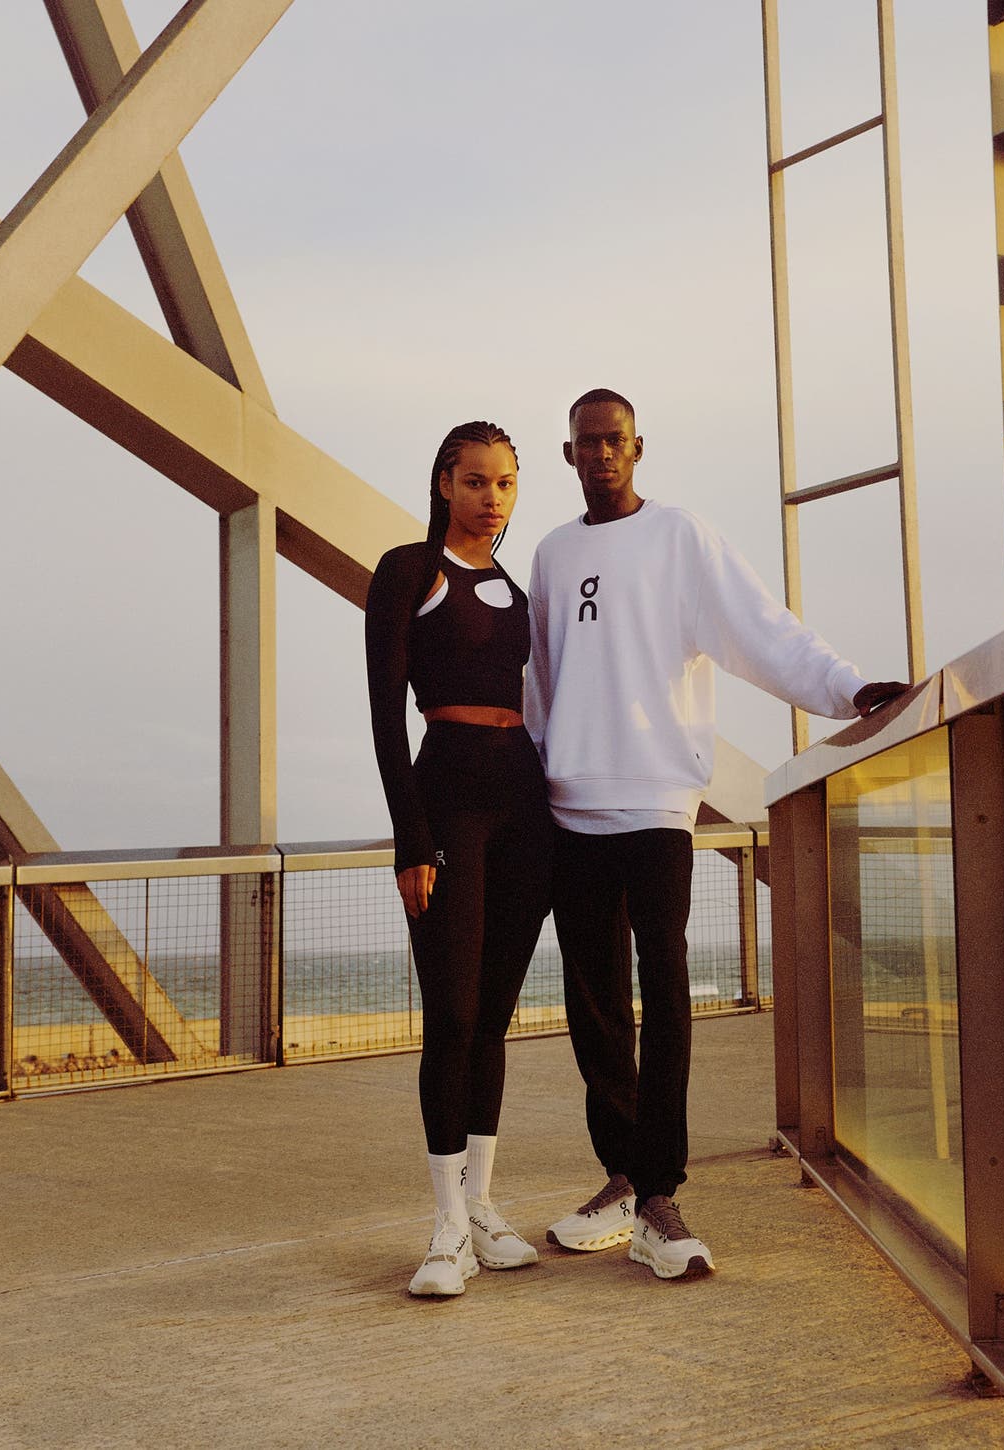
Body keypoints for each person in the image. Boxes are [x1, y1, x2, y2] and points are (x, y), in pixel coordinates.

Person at [524, 388, 906, 1281]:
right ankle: (620, 1179)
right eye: (587, 443)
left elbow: (759, 631)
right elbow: (538, 681)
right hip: (568, 810)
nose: (602, 454)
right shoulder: (550, 552)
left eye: (615, 440)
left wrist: (847, 690)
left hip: (657, 804)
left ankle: (660, 1193)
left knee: (663, 995)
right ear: (569, 453)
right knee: (595, 1011)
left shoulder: (679, 537)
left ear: (638, 446)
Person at [365, 420, 552, 1298]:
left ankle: (482, 1206)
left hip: (527, 809)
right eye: (476, 481)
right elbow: (384, 715)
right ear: (445, 483)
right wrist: (412, 837)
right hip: (449, 807)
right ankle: (442, 1227)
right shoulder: (410, 571)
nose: (492, 497)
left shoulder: (518, 592)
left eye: (506, 483)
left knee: (492, 1019)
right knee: (451, 1010)